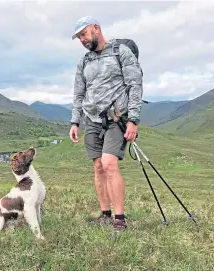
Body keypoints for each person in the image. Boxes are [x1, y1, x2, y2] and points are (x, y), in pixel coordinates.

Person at [69, 16, 143, 234]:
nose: (82, 39)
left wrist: (133, 120)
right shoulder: (84, 61)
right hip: (91, 119)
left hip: (116, 118)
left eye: (84, 34)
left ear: (96, 29)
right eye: (79, 37)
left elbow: (134, 85)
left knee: (110, 164)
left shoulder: (121, 52)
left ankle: (120, 220)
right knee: (98, 166)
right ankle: (105, 214)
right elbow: (79, 93)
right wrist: (75, 121)